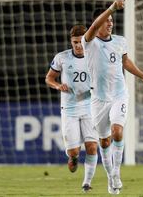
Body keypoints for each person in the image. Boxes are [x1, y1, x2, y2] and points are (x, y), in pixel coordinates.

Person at [81, 0, 143, 194]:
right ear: (97, 24)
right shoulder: (88, 42)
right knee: (104, 141)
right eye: (107, 22)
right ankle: (110, 178)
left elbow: (125, 63)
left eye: (112, 22)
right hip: (98, 99)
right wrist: (112, 8)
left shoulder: (120, 41)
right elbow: (95, 26)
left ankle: (116, 173)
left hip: (119, 95)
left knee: (117, 132)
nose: (110, 24)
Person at [45, 24, 98, 193]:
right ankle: (74, 158)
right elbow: (49, 78)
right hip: (69, 109)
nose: (78, 45)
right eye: (75, 42)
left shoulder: (95, 57)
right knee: (74, 151)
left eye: (81, 41)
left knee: (92, 147)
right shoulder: (62, 58)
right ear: (71, 41)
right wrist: (58, 86)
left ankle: (87, 183)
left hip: (90, 107)